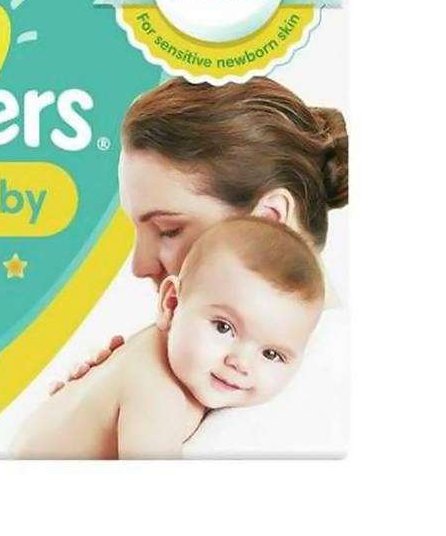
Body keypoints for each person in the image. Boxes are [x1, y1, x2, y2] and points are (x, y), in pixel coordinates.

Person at [47, 76, 348, 454]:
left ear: (269, 219)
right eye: (223, 327)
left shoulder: (309, 406)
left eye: (168, 230)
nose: (139, 266)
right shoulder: (202, 377)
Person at [12, 217, 324, 458]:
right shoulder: (158, 395)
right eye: (223, 327)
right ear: (171, 303)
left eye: (271, 354)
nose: (240, 363)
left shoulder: (182, 359)